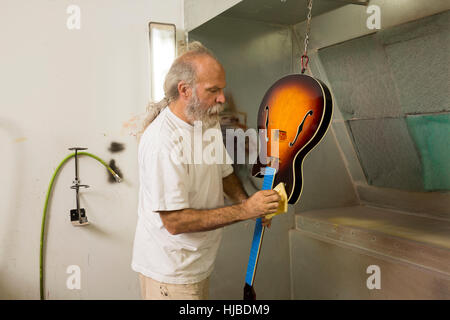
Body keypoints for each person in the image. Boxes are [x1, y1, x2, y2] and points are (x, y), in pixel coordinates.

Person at [131, 42, 281, 300]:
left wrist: (247, 203)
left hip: (197, 264)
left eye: (222, 89)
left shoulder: (206, 122)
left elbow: (223, 172)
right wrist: (246, 210)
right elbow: (175, 221)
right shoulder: (162, 142)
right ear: (185, 90)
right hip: (170, 274)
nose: (222, 98)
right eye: (213, 90)